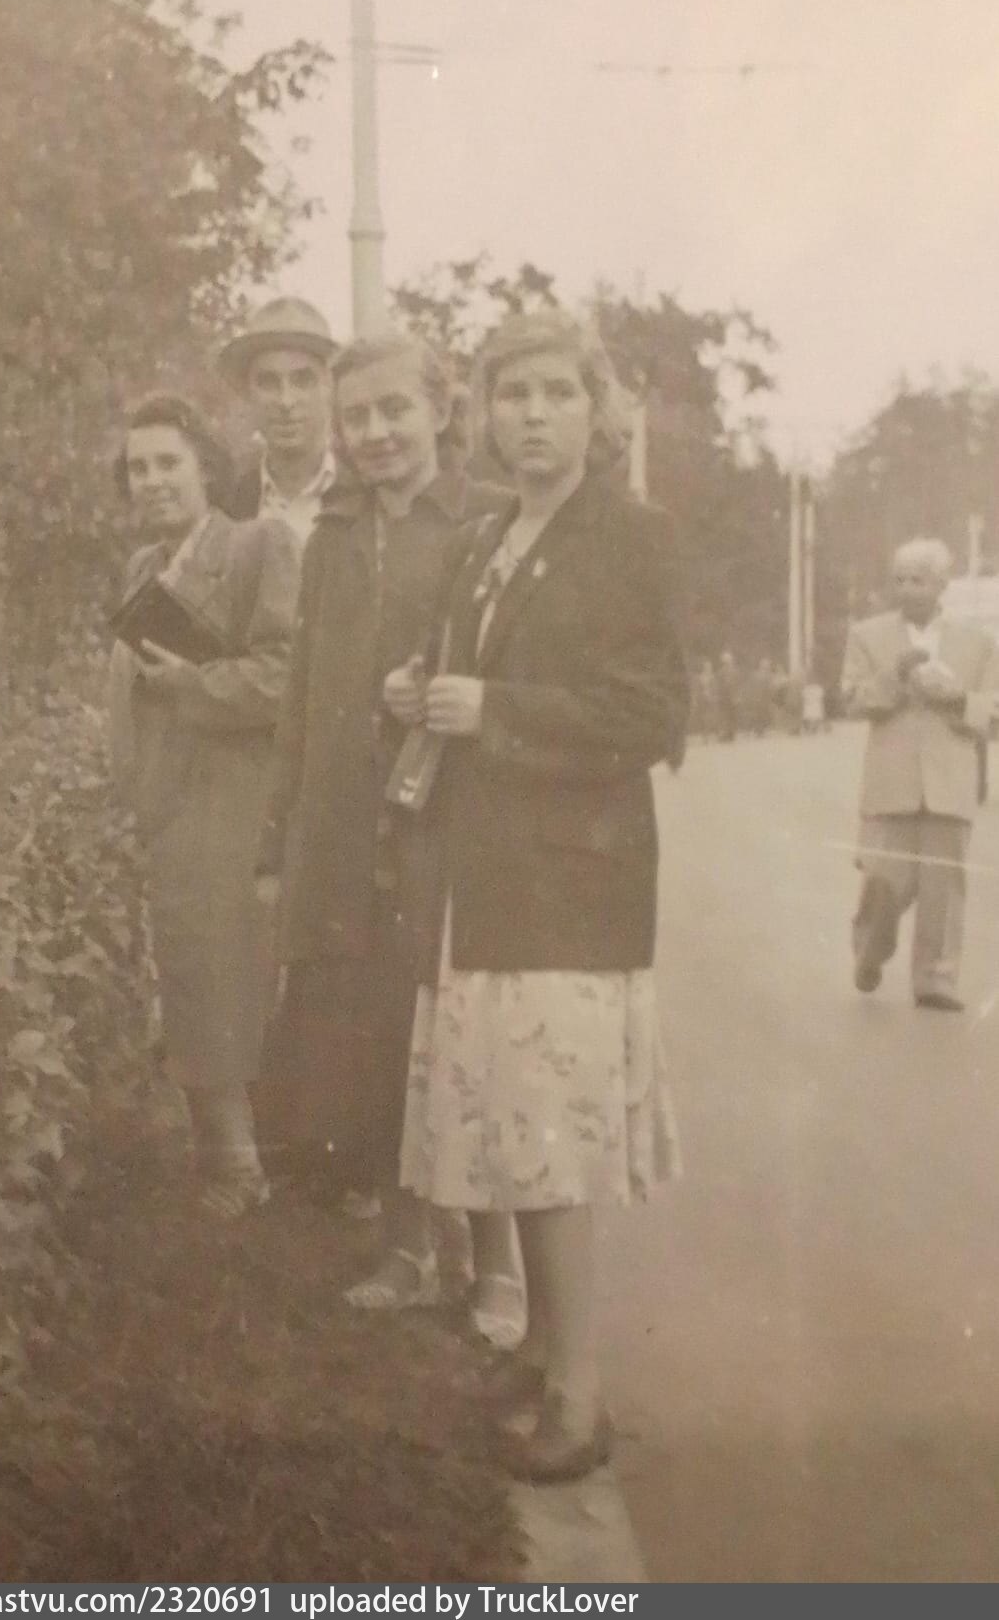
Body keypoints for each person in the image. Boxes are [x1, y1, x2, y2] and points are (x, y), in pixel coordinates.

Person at [386, 311, 688, 1483]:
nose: (532, 416)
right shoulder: (487, 536)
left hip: (569, 888)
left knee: (547, 1137)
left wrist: (492, 712)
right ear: (483, 412)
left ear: (596, 411)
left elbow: (650, 715)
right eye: (511, 395)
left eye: (557, 393)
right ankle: (541, 1350)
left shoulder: (631, 537)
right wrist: (422, 687)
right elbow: (472, 672)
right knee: (509, 1117)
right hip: (480, 877)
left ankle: (580, 1393)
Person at [258, 333, 520, 1336]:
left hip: (451, 817)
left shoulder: (488, 518)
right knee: (379, 1041)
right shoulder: (334, 533)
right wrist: (280, 836)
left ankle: (496, 1263)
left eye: (394, 409)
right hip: (346, 826)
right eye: (357, 415)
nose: (375, 433)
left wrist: (437, 689)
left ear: (440, 412)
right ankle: (409, 1250)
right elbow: (301, 690)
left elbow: (507, 663)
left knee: (465, 1034)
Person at [108, 394, 299, 1213]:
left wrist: (193, 686)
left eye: (168, 463)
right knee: (188, 975)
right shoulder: (141, 569)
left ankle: (244, 1171)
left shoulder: (258, 546)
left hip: (234, 800)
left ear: (207, 470)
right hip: (164, 803)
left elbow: (286, 677)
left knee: (225, 979)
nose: (152, 481)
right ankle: (222, 1163)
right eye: (138, 468)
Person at [842, 537, 998, 1010]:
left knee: (943, 886)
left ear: (941, 585)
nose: (907, 589)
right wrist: (895, 674)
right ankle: (869, 948)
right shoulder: (867, 635)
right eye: (900, 580)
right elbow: (851, 700)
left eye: (918, 580)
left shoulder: (979, 642)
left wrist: (959, 699)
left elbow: (993, 711)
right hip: (891, 783)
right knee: (883, 880)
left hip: (950, 781)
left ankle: (936, 978)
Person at [219, 297, 338, 546]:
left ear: (330, 386)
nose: (286, 401)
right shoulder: (227, 506)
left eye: (302, 380)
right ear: (248, 392)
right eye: (268, 382)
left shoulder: (367, 490)